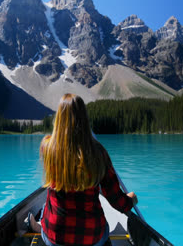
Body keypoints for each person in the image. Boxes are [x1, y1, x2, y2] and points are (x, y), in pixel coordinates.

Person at [30, 93, 138, 246]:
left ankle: (40, 225)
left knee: (46, 203)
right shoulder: (98, 152)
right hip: (92, 238)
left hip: (55, 237)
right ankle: (40, 225)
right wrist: (130, 200)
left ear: (59, 118)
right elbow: (116, 200)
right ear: (84, 118)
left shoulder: (47, 147)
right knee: (102, 227)